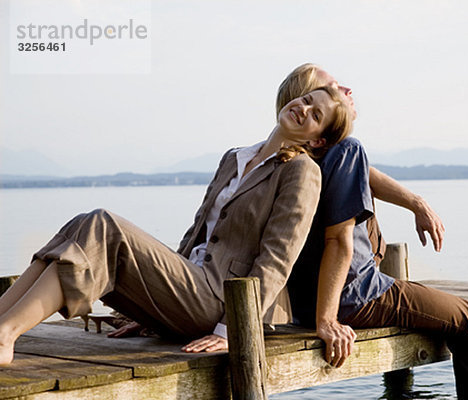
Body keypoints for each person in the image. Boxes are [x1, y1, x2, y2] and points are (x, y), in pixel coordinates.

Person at [0, 86, 353, 365]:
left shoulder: (301, 171)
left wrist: (231, 329)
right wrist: (154, 306)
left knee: (102, 225)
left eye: (315, 114)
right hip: (190, 288)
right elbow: (196, 233)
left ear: (316, 140)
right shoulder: (235, 158)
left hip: (222, 302)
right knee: (81, 224)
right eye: (306, 99)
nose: (303, 108)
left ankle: (7, 334)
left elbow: (279, 256)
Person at [279, 64, 468, 399]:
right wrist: (326, 321)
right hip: (357, 295)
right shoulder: (345, 151)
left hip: (305, 303)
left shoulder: (292, 157)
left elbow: (364, 173)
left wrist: (416, 202)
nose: (346, 91)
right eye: (334, 88)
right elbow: (339, 243)